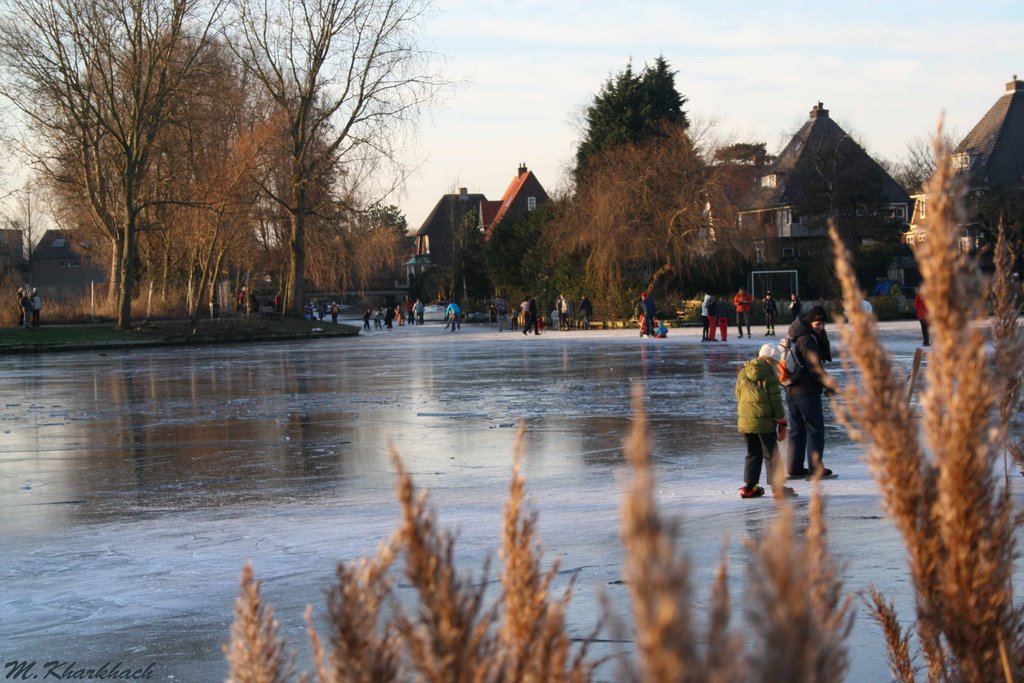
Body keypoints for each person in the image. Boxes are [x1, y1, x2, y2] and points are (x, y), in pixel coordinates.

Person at [735, 344, 797, 499]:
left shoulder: (743, 371)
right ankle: (777, 489)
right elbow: (775, 399)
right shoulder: (769, 372)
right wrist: (780, 419)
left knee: (753, 453)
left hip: (745, 419)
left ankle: (750, 487)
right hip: (764, 420)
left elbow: (738, 394)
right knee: (772, 454)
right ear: (771, 360)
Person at [785, 305, 839, 479]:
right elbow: (814, 367)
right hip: (805, 391)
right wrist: (828, 383)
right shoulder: (807, 339)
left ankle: (794, 468)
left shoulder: (795, 334)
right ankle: (815, 468)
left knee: (797, 429)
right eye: (817, 324)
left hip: (791, 388)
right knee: (815, 429)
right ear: (810, 322)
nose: (821, 327)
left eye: (823, 324)